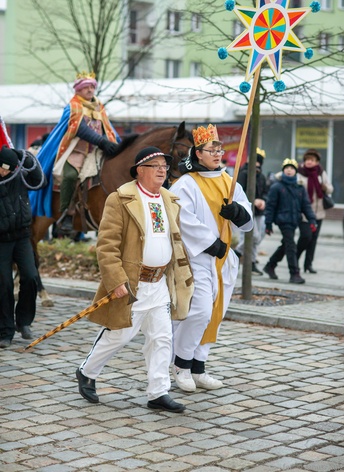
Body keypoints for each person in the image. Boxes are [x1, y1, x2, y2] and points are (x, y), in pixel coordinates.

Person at [76, 146, 193, 412]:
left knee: (162, 338)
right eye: (156, 166)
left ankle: (158, 392)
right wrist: (116, 280)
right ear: (140, 170)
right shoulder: (120, 199)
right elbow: (106, 246)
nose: (163, 170)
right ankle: (87, 371)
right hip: (133, 283)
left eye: (165, 165)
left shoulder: (169, 200)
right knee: (120, 336)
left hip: (160, 283)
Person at [170, 124, 253, 392]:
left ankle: (198, 367)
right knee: (200, 311)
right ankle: (180, 365)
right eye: (212, 149)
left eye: (220, 149)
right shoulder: (186, 184)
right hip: (198, 259)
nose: (218, 153)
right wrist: (210, 243)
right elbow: (183, 219)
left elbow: (247, 219)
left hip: (224, 260)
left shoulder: (230, 181)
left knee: (216, 313)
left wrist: (239, 213)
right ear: (198, 153)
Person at [30, 71, 120, 230]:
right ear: (78, 89)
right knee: (71, 175)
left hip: (98, 151)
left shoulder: (98, 105)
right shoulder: (73, 106)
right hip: (76, 151)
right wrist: (102, 142)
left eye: (92, 86)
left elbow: (107, 127)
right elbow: (79, 128)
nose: (90, 90)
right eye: (86, 87)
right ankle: (67, 212)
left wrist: (116, 143)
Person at [0, 146, 45, 348]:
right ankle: (5, 330)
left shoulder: (18, 175)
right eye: (2, 168)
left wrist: (26, 160)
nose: (5, 173)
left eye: (9, 169)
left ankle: (24, 321)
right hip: (2, 239)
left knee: (30, 276)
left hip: (22, 236)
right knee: (4, 284)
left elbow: (39, 181)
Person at [263, 158, 317, 284]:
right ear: (283, 170)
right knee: (291, 246)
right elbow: (270, 206)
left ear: (295, 171)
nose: (289, 170)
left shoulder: (299, 187)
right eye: (286, 168)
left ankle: (270, 265)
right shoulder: (277, 187)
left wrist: (312, 220)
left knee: (286, 245)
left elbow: (306, 205)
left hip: (295, 220)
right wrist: (268, 224)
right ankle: (294, 273)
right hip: (283, 221)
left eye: (292, 168)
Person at [296, 148, 334, 273]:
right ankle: (295, 259)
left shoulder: (321, 173)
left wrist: (324, 187)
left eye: (312, 160)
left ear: (317, 162)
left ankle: (308, 264)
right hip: (304, 213)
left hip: (319, 212)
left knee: (313, 240)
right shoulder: (299, 172)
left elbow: (330, 188)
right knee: (306, 237)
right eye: (307, 160)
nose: (309, 162)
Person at [234, 147, 267, 275]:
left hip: (258, 212)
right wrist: (254, 201)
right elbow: (240, 194)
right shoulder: (244, 174)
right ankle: (237, 254)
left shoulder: (262, 176)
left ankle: (251, 262)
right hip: (247, 212)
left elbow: (265, 192)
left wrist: (263, 200)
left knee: (256, 239)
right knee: (252, 237)